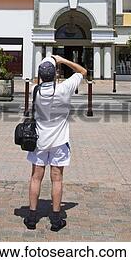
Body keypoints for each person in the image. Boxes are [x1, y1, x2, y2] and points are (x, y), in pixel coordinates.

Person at [24, 54, 87, 232]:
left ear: (40, 75)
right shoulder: (64, 88)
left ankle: (31, 217)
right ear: (56, 74)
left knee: (36, 177)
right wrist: (62, 61)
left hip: (39, 141)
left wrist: (48, 64)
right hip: (60, 141)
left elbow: (39, 80)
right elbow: (83, 71)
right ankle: (56, 219)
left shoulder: (35, 90)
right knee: (57, 179)